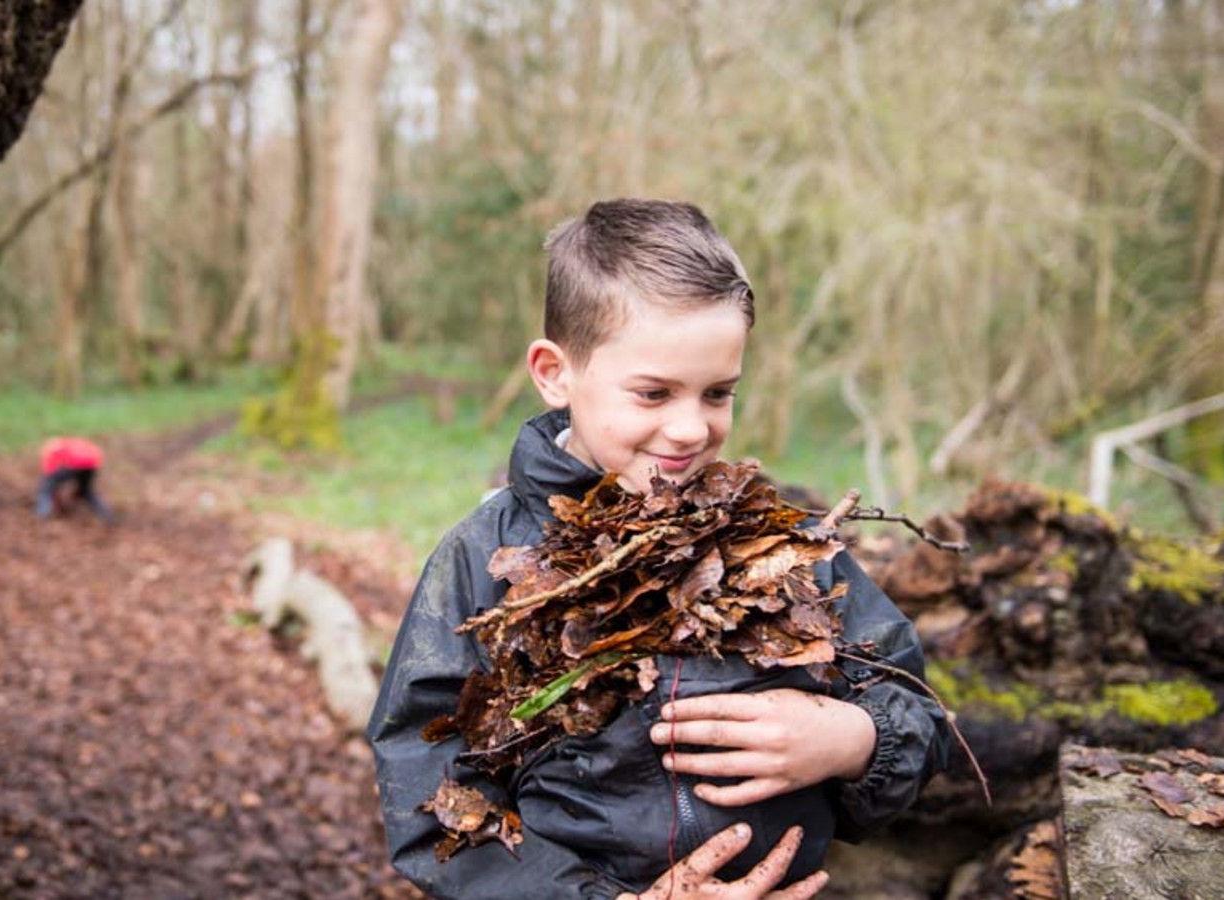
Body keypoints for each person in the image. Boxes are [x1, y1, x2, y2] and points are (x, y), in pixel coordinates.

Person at [367, 199, 952, 900]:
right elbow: (425, 790)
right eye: (653, 393)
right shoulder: (482, 558)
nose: (689, 429)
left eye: (718, 393)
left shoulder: (780, 543)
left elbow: (916, 706)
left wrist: (855, 739)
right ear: (556, 372)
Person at [35, 436, 115, 524]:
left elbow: (49, 472)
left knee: (45, 490)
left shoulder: (53, 447)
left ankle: (43, 515)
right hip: (92, 465)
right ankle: (107, 515)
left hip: (75, 463)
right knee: (86, 492)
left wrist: (52, 488)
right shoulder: (76, 443)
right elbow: (97, 454)